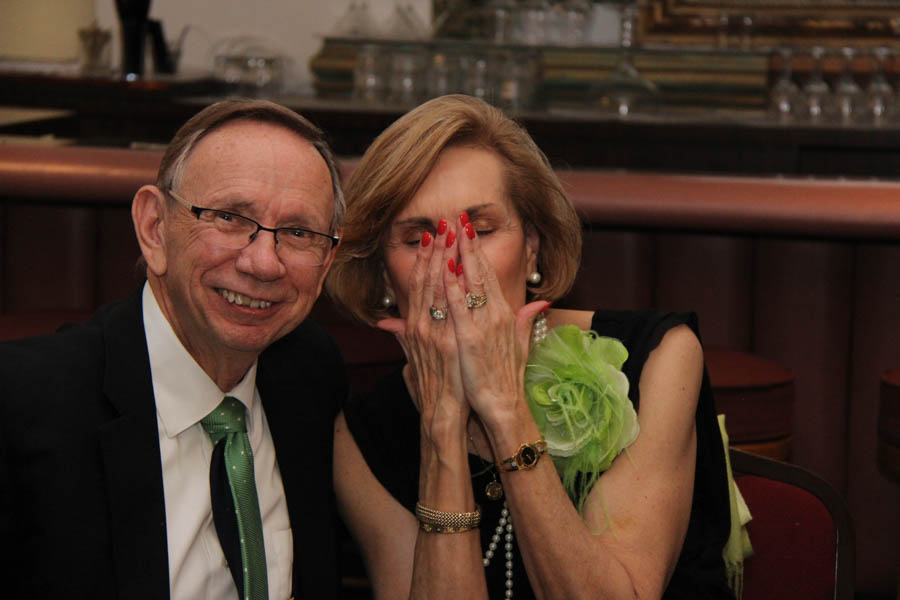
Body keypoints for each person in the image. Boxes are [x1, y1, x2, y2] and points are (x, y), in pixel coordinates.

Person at [327, 95, 734, 599]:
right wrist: (442, 427)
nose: (456, 264)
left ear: (532, 247)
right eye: (418, 240)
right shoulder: (360, 435)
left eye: (480, 230)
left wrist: (505, 408)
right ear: (385, 276)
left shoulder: (655, 356)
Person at [0, 99, 346, 599]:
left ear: (328, 258)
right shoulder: (23, 405)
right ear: (155, 228)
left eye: (298, 232)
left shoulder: (309, 373)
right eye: (229, 217)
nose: (264, 263)